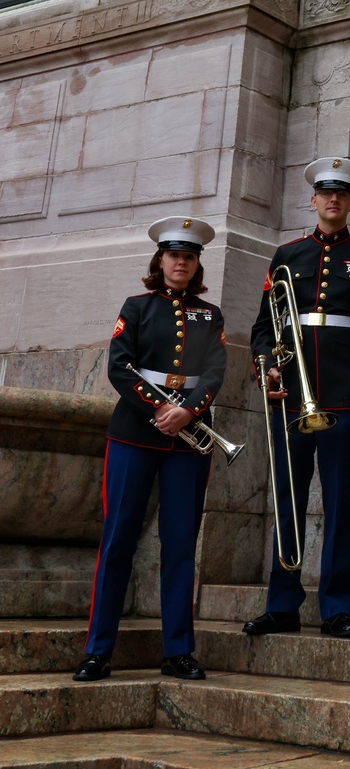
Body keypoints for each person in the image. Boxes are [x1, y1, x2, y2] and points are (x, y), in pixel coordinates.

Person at [73, 216, 226, 682]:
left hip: (188, 442)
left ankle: (178, 650)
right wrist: (162, 409)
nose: (181, 262)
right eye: (173, 254)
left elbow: (216, 372)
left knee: (179, 546)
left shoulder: (209, 314)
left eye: (189, 256)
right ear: (159, 261)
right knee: (118, 541)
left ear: (197, 264)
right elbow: (119, 367)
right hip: (135, 434)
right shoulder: (136, 307)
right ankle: (98, 651)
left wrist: (190, 412)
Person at [244, 157, 350, 639]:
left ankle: (336, 608)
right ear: (313, 201)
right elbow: (264, 328)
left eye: (341, 194)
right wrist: (267, 370)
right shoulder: (286, 254)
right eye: (325, 193)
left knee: (340, 504)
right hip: (291, 398)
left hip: (345, 397)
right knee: (287, 500)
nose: (332, 200)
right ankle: (282, 605)